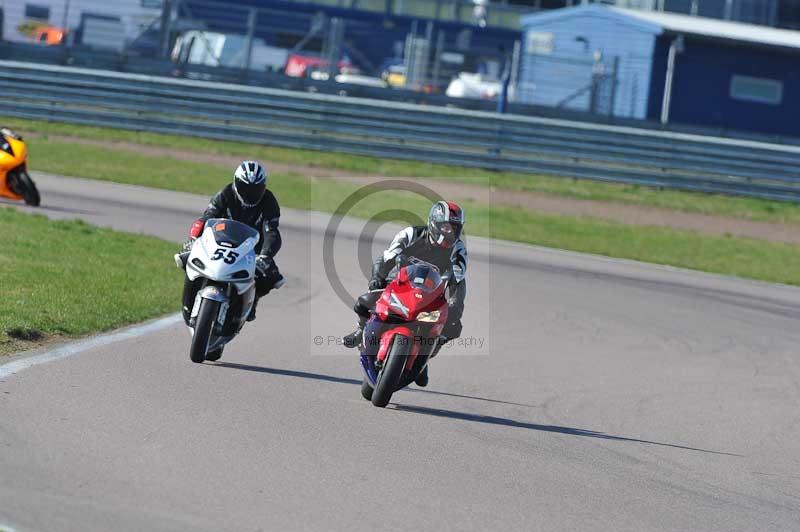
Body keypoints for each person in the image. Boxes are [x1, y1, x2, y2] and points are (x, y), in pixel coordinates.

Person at [343, 201, 467, 387]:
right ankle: (362, 330)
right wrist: (377, 277)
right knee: (364, 302)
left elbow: (458, 279)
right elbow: (386, 258)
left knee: (453, 325)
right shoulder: (411, 234)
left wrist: (455, 305)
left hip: (431, 293)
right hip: (398, 284)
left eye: (454, 228)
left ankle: (425, 356)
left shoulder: (458, 249)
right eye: (446, 226)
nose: (449, 232)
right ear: (434, 223)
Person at [179, 160, 284, 325]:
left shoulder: (269, 201)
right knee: (185, 258)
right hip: (220, 241)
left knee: (271, 277)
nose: (249, 194)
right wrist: (192, 240)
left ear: (263, 188)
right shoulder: (225, 194)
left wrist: (265, 256)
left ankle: (251, 300)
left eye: (255, 190)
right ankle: (190, 297)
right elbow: (206, 218)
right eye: (245, 188)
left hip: (252, 249)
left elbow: (271, 232)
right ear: (236, 183)